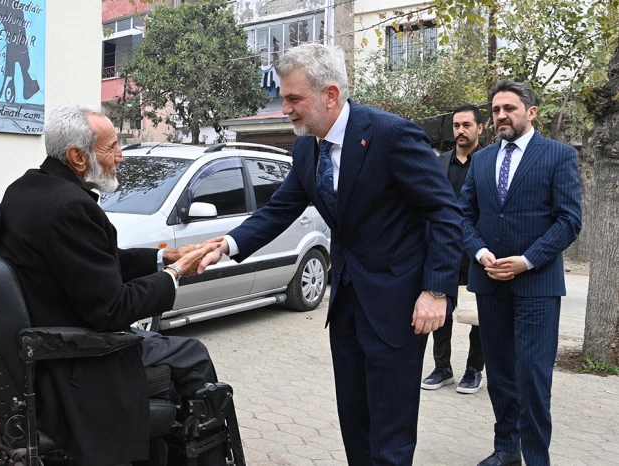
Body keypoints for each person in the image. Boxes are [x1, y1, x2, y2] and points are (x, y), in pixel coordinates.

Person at [200, 43, 464, 465]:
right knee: (355, 425)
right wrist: (225, 246)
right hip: (344, 307)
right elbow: (280, 209)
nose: (284, 109)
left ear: (330, 94)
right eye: (283, 97)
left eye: (293, 98)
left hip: (397, 305)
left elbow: (444, 212)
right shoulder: (306, 147)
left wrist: (436, 290)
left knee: (391, 434)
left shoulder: (392, 135)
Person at [0, 103, 223, 466]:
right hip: (78, 359)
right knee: (193, 355)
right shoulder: (71, 208)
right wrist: (174, 276)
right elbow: (110, 310)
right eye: (112, 146)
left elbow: (94, 264)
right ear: (77, 157)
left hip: (48, 339)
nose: (120, 156)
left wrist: (164, 258)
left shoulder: (25, 189)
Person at [459, 81, 581, 466]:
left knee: (531, 378)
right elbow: (462, 216)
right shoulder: (481, 160)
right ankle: (507, 450)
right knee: (500, 375)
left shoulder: (558, 155)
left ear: (531, 112)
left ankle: (536, 458)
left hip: (536, 285)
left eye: (509, 108)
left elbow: (569, 220)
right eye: (495, 110)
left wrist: (526, 260)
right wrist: (480, 253)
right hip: (489, 283)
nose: (500, 116)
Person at [421, 104, 486, 394]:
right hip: (444, 251)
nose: (460, 130)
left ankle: (474, 370)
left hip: (477, 252)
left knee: (477, 317)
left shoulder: (488, 162)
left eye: (467, 125)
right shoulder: (440, 162)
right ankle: (442, 368)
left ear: (480, 129)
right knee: (441, 312)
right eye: (457, 125)